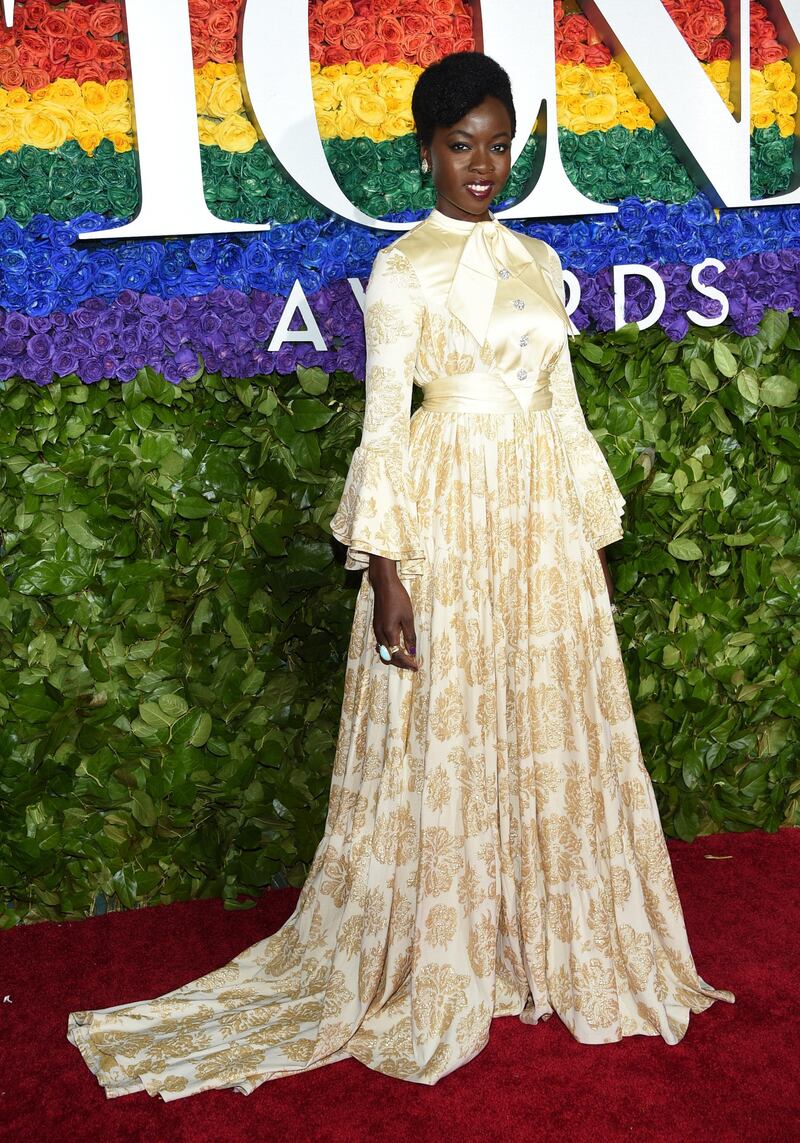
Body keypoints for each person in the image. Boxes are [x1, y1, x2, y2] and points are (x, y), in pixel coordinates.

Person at [67, 51, 734, 1101]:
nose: (481, 164)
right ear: (423, 151)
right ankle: (441, 950)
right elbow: (382, 430)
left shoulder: (533, 261)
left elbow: (562, 415)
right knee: (450, 729)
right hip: (442, 524)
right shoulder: (400, 269)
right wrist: (384, 574)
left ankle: (543, 939)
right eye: (460, 145)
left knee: (544, 726)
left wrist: (589, 544)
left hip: (534, 526)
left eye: (497, 144)